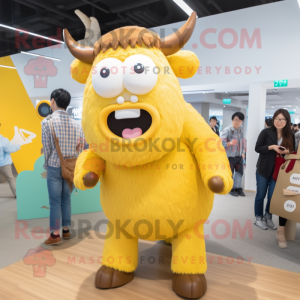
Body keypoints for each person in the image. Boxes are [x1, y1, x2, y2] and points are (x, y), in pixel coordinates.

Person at [42, 89, 84, 245]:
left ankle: (55, 235)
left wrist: (47, 164)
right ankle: (66, 230)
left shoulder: (47, 122)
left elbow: (46, 148)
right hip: (71, 166)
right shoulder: (76, 124)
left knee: (54, 202)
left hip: (54, 166)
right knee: (66, 199)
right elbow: (80, 147)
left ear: (52, 101)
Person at [254, 109, 294, 248]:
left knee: (272, 197)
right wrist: (271, 147)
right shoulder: (265, 132)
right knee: (260, 195)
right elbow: (257, 148)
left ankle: (268, 216)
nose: (279, 121)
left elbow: (293, 151)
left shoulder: (290, 134)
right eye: (277, 118)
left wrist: (286, 151)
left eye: (282, 119)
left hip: (279, 170)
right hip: (264, 168)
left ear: (287, 121)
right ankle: (258, 218)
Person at [221, 112, 246, 197]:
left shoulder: (241, 130)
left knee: (239, 172)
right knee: (230, 173)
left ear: (242, 122)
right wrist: (230, 143)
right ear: (232, 120)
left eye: (239, 120)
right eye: (235, 120)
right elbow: (220, 143)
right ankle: (230, 188)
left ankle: (237, 188)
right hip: (230, 156)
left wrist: (243, 152)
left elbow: (242, 142)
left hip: (239, 156)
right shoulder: (227, 130)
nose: (237, 122)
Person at [0, 128, 20, 198]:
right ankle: (17, 195)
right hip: (4, 165)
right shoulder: (3, 140)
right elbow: (10, 149)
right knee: (11, 179)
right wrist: (18, 145)